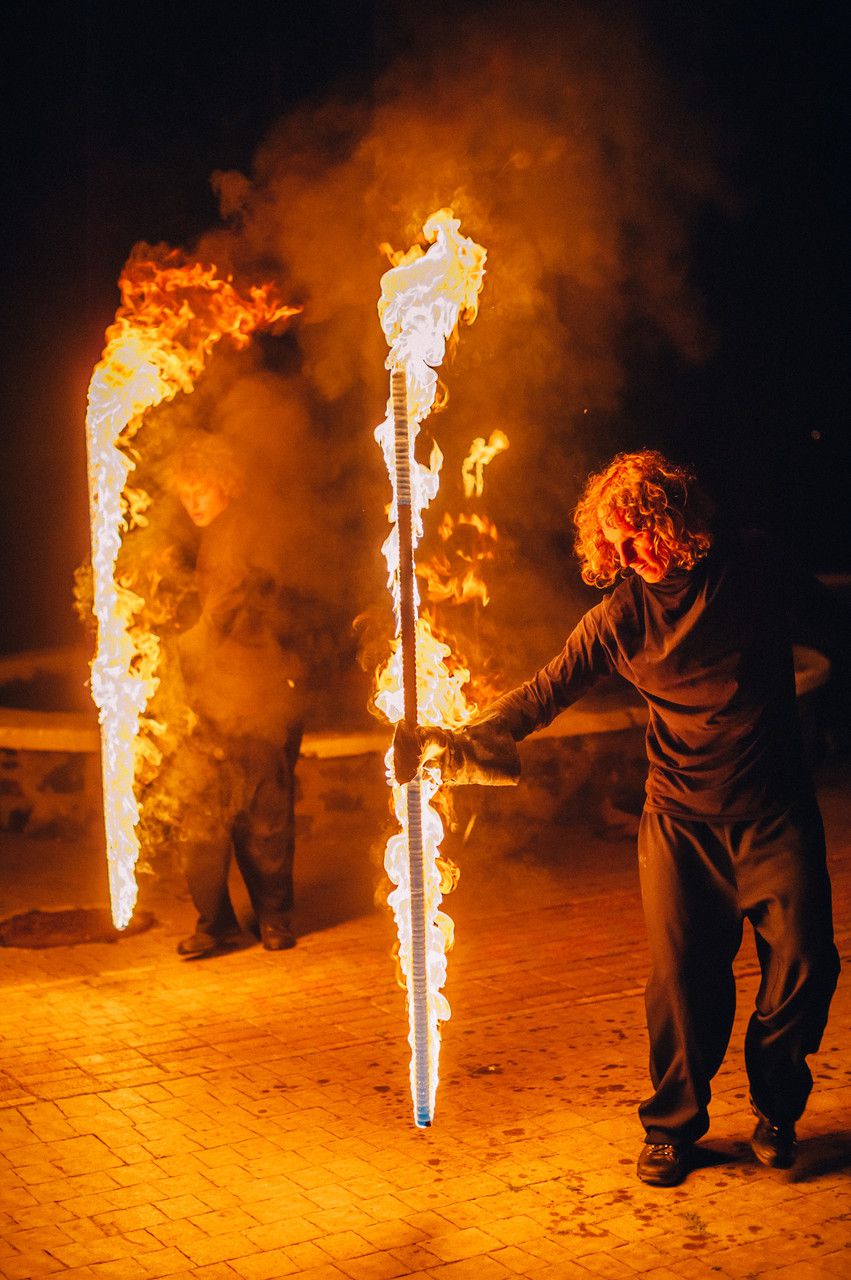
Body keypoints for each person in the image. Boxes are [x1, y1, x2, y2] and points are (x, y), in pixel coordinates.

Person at [395, 449, 840, 1186]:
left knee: (804, 967)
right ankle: (672, 1127)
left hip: (774, 813)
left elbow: (831, 619)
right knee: (682, 982)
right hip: (680, 821)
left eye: (639, 536)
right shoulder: (619, 618)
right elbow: (543, 694)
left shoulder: (752, 567)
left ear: (676, 523)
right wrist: (456, 740)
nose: (629, 557)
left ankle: (776, 1105)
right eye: (615, 544)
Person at [166, 434, 305, 958]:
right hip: (217, 697)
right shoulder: (216, 535)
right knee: (204, 811)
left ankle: (273, 918)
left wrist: (177, 649)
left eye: (200, 489)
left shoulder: (244, 530)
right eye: (185, 494)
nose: (193, 502)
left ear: (225, 484)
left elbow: (228, 604)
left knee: (264, 814)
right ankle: (220, 922)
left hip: (258, 695)